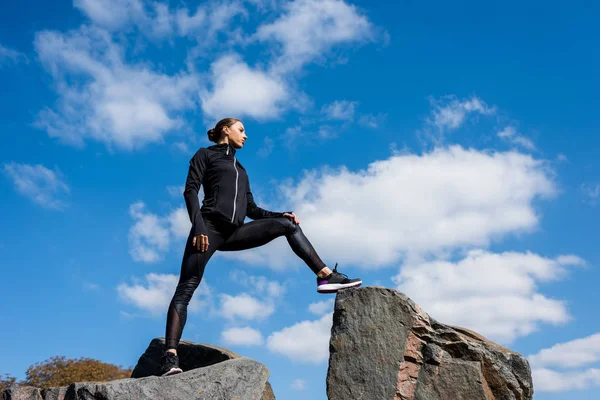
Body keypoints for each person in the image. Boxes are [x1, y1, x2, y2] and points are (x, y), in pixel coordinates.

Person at [160, 118, 362, 376]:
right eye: (241, 130)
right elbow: (190, 191)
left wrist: (281, 214)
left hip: (234, 232)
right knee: (186, 287)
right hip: (208, 230)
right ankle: (170, 357)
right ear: (226, 130)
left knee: (288, 226)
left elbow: (253, 210)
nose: (245, 136)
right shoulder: (205, 155)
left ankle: (325, 276)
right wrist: (198, 227)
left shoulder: (241, 170)